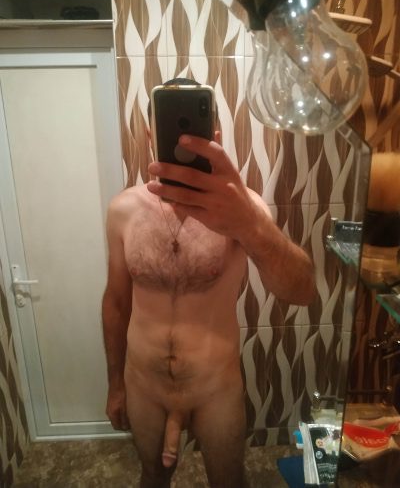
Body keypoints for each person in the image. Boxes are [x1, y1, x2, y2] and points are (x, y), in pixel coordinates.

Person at [102, 79, 316, 488]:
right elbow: (115, 302)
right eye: (167, 126)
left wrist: (250, 225)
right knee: (152, 478)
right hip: (144, 385)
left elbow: (302, 292)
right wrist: (115, 384)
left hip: (215, 387)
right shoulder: (123, 210)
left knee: (229, 481)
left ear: (214, 136)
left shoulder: (244, 210)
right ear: (150, 133)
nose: (181, 138)